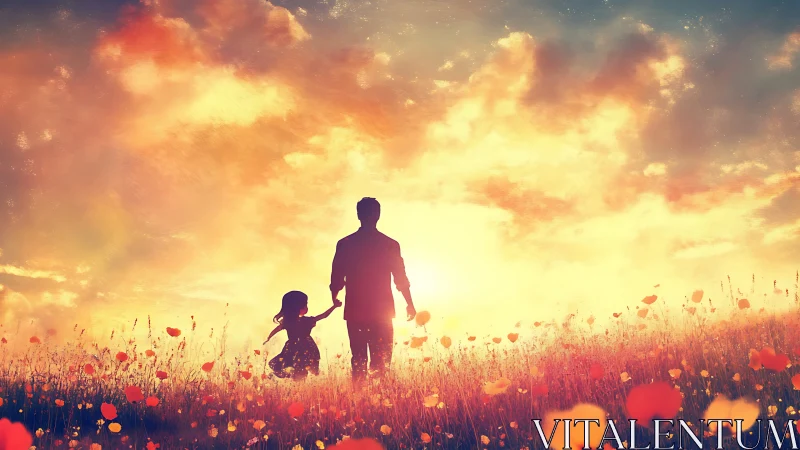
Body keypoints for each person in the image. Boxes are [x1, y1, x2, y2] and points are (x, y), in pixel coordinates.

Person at [330, 197, 416, 384]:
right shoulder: (389, 244)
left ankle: (358, 396)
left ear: (358, 215)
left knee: (358, 359)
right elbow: (400, 277)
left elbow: (336, 277)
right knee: (382, 360)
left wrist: (334, 297)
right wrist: (409, 304)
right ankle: (380, 396)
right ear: (378, 215)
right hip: (381, 311)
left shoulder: (345, 244)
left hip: (355, 310)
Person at [265, 290, 341, 381]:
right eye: (305, 304)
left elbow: (276, 329)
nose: (306, 307)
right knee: (300, 368)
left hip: (293, 348)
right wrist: (334, 306)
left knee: (294, 366)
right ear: (298, 307)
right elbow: (324, 315)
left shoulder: (289, 322)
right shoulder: (306, 321)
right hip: (306, 348)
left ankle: (293, 380)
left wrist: (268, 338)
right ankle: (295, 380)